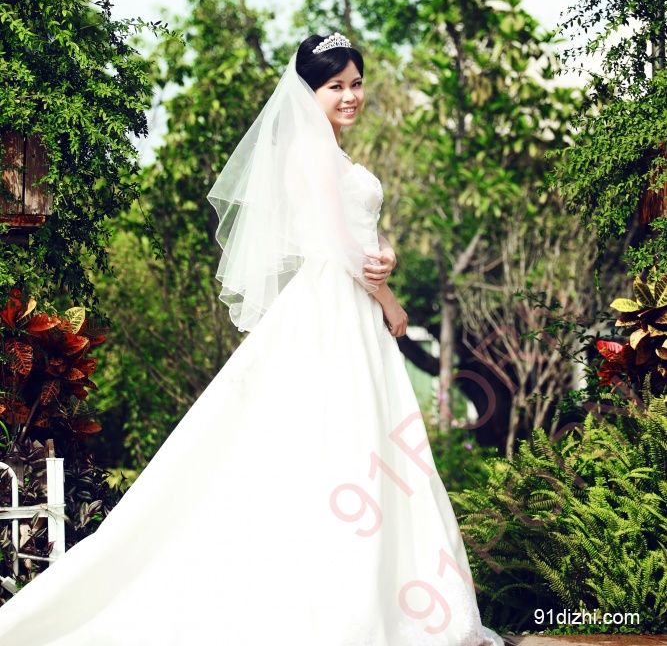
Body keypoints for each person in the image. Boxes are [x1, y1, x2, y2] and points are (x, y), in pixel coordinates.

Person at [0, 32, 504, 646]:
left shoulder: (328, 152)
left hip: (344, 303)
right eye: (335, 86)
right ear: (307, 92)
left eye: (356, 84)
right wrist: (390, 300)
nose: (350, 96)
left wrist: (386, 250)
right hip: (335, 307)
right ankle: (349, 609)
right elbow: (332, 245)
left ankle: (375, 598)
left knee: (361, 441)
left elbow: (353, 231)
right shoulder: (311, 154)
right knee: (341, 442)